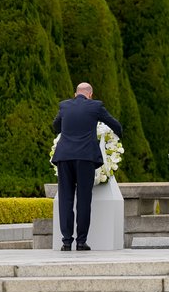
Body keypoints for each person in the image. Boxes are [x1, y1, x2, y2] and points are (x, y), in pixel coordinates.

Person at [51, 83, 123, 251]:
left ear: (76, 94)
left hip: (64, 156)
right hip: (85, 158)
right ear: (90, 94)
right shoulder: (95, 106)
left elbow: (56, 127)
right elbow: (114, 124)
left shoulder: (64, 105)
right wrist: (119, 135)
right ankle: (81, 241)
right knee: (84, 199)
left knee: (65, 199)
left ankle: (66, 242)